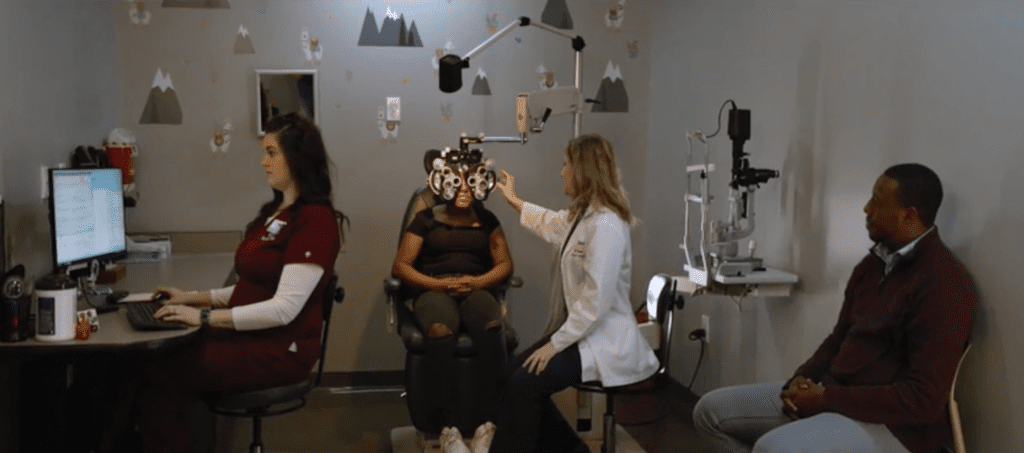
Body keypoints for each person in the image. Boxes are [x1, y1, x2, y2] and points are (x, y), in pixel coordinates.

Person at [103, 112, 346, 453]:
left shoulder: (315, 221)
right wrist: (194, 298)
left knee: (151, 373)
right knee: (143, 374)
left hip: (277, 349)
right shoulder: (274, 214)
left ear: (297, 159)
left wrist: (202, 319)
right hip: (249, 336)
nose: (263, 162)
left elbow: (284, 308)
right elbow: (253, 288)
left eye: (271, 153)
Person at [692, 163, 977, 453]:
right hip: (836, 398)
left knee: (772, 448)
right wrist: (800, 381)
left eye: (878, 201)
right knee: (709, 412)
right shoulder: (872, 266)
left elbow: (922, 401)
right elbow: (838, 340)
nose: (867, 208)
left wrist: (826, 399)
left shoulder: (945, 285)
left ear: (908, 215)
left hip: (897, 429)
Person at [470, 134, 659, 453]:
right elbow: (553, 223)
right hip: (583, 331)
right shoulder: (585, 216)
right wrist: (514, 199)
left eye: (566, 164)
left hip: (603, 339)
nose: (562, 172)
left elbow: (595, 302)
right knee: (512, 372)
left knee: (524, 383)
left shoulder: (607, 225)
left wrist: (554, 345)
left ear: (583, 170)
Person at [391, 149, 514, 446]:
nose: (463, 190)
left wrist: (477, 282)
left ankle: (487, 424)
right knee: (440, 330)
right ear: (442, 185)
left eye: (469, 183)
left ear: (479, 185)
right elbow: (402, 265)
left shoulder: (487, 220)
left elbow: (505, 264)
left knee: (492, 329)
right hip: (434, 290)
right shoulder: (426, 219)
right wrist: (436, 284)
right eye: (456, 184)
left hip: (477, 290)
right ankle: (446, 429)